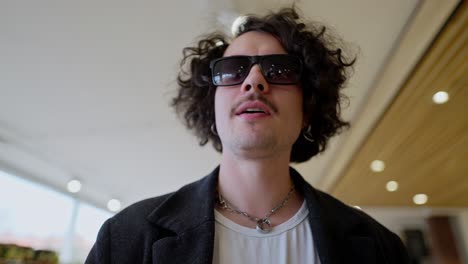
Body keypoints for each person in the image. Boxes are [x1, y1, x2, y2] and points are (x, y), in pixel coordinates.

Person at [86, 7, 410, 264]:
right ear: (210, 109)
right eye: (233, 71)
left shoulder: (381, 248)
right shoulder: (126, 237)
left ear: (308, 108)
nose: (253, 82)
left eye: (280, 70)